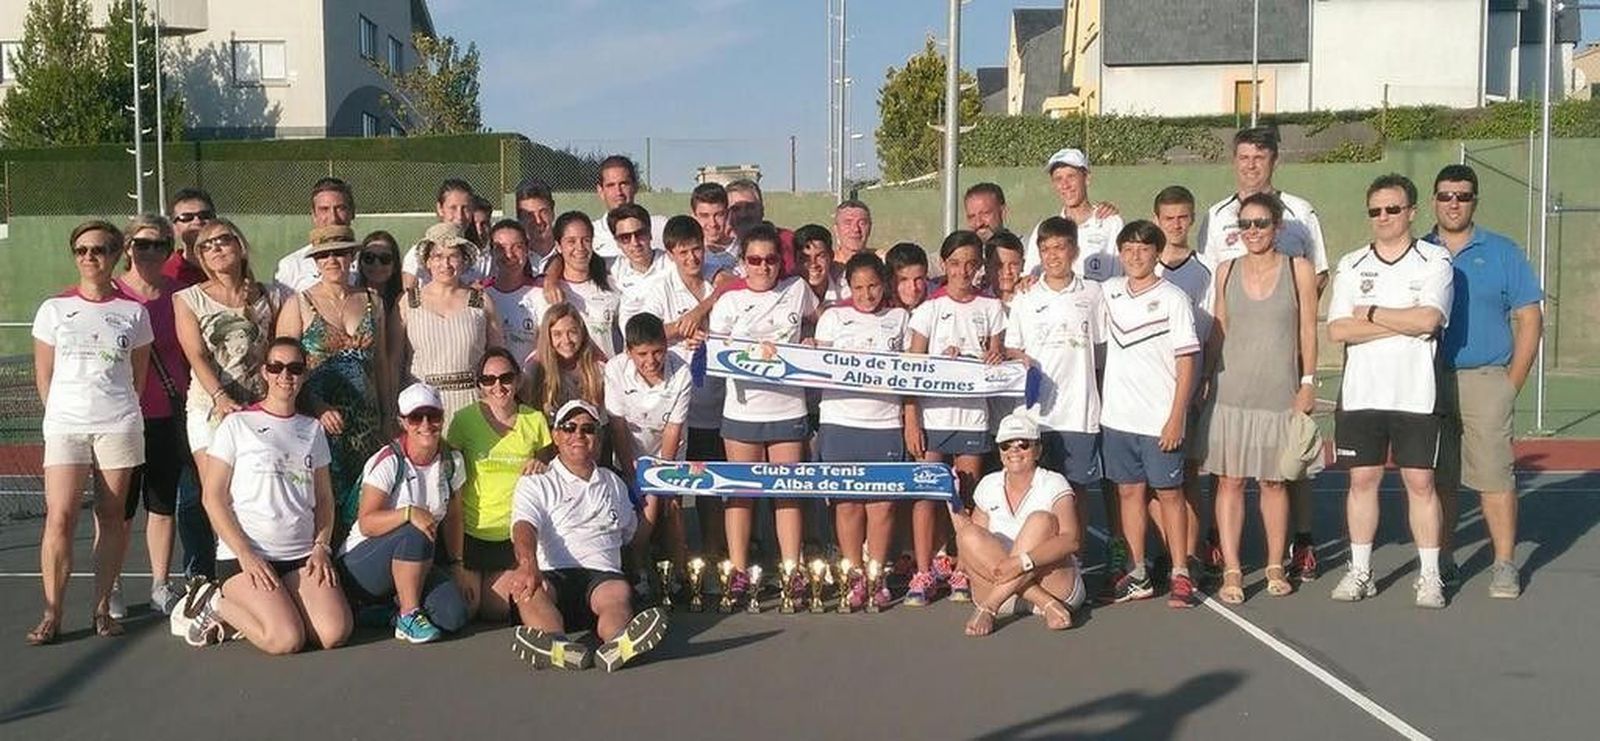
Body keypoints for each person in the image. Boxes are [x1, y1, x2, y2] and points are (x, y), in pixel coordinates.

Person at [1199, 127, 1331, 580]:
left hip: (1283, 372)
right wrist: (1202, 377)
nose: (1251, 164)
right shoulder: (1216, 219)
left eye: (1260, 156)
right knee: (1230, 477)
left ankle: (1298, 546)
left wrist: (1306, 375)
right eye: (1243, 157)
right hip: (1233, 379)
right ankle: (1228, 557)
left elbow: (1314, 292)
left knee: (1284, 474)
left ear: (1274, 160)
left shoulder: (1301, 216)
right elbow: (1218, 317)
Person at [1326, 174, 1453, 609]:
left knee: (1420, 482)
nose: (1383, 217)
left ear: (1411, 212)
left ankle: (1431, 576)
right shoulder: (1352, 263)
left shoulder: (1434, 261)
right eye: (1376, 210)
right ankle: (1360, 571)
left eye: (1392, 209)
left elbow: (1428, 322)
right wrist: (1400, 321)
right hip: (1361, 394)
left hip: (1416, 393)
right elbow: (1339, 328)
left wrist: (1374, 313)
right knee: (1363, 480)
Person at [28, 220, 155, 645]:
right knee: (59, 516)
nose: (89, 257)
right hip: (66, 426)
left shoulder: (134, 313)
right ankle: (53, 613)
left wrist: (116, 412)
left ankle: (102, 607)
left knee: (111, 517)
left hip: (117, 425)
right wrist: (64, 413)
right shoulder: (53, 310)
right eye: (81, 250)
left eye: (99, 249)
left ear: (116, 255)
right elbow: (44, 375)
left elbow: (137, 378)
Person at [186, 337, 352, 654]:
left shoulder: (313, 430)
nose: (285, 375)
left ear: (304, 375)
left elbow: (325, 499)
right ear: (264, 372)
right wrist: (245, 554)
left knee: (334, 633)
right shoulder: (237, 424)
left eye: (294, 368)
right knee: (286, 640)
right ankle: (216, 603)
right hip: (248, 557)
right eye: (276, 367)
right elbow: (213, 497)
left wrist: (321, 547)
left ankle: (273, 605)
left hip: (300, 556)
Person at [1427, 164, 1542, 598]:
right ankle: (1443, 559)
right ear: (1434, 201)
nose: (1453, 203)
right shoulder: (1418, 250)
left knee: (1495, 476)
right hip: (1432, 381)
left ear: (1475, 200)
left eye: (1463, 195)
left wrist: (1511, 383)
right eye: (1445, 195)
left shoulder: (1503, 251)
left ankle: (1504, 564)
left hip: (1486, 379)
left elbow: (1530, 319)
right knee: (1441, 479)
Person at [504, 400, 668, 672]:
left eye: (588, 429)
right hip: (553, 574)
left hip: (601, 575)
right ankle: (556, 644)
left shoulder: (613, 482)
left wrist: (656, 493)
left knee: (617, 592)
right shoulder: (536, 480)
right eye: (569, 428)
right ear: (556, 436)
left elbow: (632, 536)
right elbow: (523, 527)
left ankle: (618, 644)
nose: (578, 435)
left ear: (598, 438)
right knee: (529, 590)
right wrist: (527, 565)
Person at [705, 225, 820, 606]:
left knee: (787, 493)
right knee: (741, 494)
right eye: (754, 260)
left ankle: (792, 569)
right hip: (742, 410)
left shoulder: (797, 290)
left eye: (771, 260)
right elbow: (716, 351)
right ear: (743, 263)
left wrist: (812, 339)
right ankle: (738, 571)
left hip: (789, 408)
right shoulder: (729, 302)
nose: (763, 267)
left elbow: (818, 320)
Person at [1100, 220, 1200, 608]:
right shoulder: (1108, 292)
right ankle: (1138, 571)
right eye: (1128, 249)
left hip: (1160, 421)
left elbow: (1187, 361)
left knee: (1170, 495)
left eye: (1143, 249)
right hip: (1117, 420)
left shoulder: (1174, 298)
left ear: (1157, 253)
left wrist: (1177, 417)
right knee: (1129, 494)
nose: (1135, 256)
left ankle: (1180, 571)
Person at [276, 225, 394, 545]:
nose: (332, 260)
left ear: (351, 257)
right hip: (318, 424)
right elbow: (284, 368)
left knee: (368, 500)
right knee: (323, 502)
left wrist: (387, 414)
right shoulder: (298, 303)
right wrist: (316, 407)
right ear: (315, 260)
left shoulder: (372, 301)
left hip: (365, 425)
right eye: (324, 254)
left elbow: (381, 364)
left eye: (340, 253)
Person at [906, 230, 1006, 606]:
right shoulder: (928, 310)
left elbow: (996, 356)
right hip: (932, 419)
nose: (963, 271)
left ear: (980, 266)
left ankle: (963, 567)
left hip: (972, 418)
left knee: (965, 496)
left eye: (970, 263)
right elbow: (911, 371)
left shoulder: (991, 307)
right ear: (944, 265)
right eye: (955, 263)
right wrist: (911, 418)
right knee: (927, 495)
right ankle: (923, 569)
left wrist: (995, 357)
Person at [173, 219, 277, 580]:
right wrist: (220, 397)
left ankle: (262, 571)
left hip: (259, 410)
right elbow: (196, 355)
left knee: (253, 492)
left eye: (222, 241)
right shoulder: (188, 299)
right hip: (209, 410)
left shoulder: (271, 296)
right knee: (218, 494)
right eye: (206, 246)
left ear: (240, 245)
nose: (215, 249)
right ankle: (229, 578)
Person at [812, 252, 910, 611]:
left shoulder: (900, 318)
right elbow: (813, 367)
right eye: (858, 287)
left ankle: (876, 577)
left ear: (884, 284)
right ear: (847, 287)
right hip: (840, 422)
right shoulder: (833, 318)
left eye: (872, 286)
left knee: (882, 506)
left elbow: (916, 370)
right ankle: (854, 575)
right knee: (848, 503)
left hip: (884, 424)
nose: (866, 294)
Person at [337, 383, 469, 643]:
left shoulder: (451, 461)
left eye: (433, 416)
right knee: (414, 530)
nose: (425, 424)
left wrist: (457, 565)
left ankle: (385, 611)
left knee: (453, 616)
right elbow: (366, 523)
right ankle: (408, 615)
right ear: (403, 422)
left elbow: (453, 516)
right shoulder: (388, 461)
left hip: (416, 559)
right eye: (416, 417)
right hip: (363, 563)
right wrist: (408, 513)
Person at [114, 214, 193, 614]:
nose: (149, 251)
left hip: (167, 415)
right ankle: (110, 586)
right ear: (127, 247)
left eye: (158, 244)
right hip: (118, 419)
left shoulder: (181, 295)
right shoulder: (109, 295)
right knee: (118, 510)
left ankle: (160, 585)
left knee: (162, 504)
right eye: (141, 244)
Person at [1003, 217, 1103, 528]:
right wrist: (1023, 359)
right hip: (1036, 416)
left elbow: (1100, 351)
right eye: (1045, 249)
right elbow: (1012, 347)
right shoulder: (1026, 295)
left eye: (1060, 247)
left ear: (1074, 249)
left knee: (1075, 494)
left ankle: (1076, 564)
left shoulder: (1094, 292)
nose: (1053, 255)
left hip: (1080, 414)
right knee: (1036, 493)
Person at [640, 216, 728, 556]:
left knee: (711, 488)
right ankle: (672, 560)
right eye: (683, 252)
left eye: (697, 250)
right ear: (671, 253)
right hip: (674, 405)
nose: (692, 258)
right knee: (672, 489)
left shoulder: (717, 278)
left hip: (713, 403)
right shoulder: (658, 288)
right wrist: (681, 328)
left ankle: (713, 557)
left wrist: (702, 307)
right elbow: (645, 335)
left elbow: (732, 285)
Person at [445, 347, 554, 622]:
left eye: (505, 378)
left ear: (517, 380)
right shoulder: (463, 420)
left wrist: (542, 466)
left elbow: (550, 470)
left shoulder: (535, 420)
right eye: (489, 380)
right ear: (479, 385)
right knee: (466, 610)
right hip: (472, 531)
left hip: (514, 533)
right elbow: (449, 477)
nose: (498, 386)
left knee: (495, 609)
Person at [953, 412, 1085, 636]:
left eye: (1023, 444)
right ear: (1000, 452)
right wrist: (953, 506)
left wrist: (1022, 562)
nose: (1014, 451)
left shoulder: (1054, 482)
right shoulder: (988, 484)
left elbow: (1070, 540)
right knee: (967, 534)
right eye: (1006, 445)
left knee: (1040, 520)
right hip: (1013, 593)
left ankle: (989, 607)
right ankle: (1043, 602)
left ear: (1038, 450)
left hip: (1053, 587)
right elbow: (973, 550)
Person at [1151, 186, 1215, 579]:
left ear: (1192, 219)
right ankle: (1163, 551)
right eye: (1168, 217)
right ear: (1157, 220)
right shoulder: (1142, 265)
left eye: (1183, 217)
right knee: (1149, 483)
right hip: (1147, 391)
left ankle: (1190, 555)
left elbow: (1209, 330)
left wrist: (1201, 380)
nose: (1176, 224)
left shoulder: (1205, 268)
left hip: (1185, 389)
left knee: (1186, 474)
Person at [604, 314, 693, 588]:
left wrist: (662, 480)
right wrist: (633, 478)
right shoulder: (615, 369)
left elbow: (672, 430)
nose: (651, 361)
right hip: (629, 454)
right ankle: (636, 568)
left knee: (671, 509)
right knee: (645, 509)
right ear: (629, 352)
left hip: (667, 455)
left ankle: (680, 576)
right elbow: (617, 427)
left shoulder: (682, 372)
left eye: (658, 352)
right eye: (642, 354)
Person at [397, 223, 502, 425]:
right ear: (427, 261)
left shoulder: (481, 300)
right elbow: (394, 361)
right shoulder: (408, 302)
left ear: (463, 261)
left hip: (473, 405)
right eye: (437, 256)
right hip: (423, 409)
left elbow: (498, 358)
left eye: (453, 256)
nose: (445, 264)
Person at [1024, 148, 1123, 281]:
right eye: (1058, 179)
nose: (1065, 185)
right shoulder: (1042, 229)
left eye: (1071, 176)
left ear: (1087, 178)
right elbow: (1031, 277)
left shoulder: (1112, 223)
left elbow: (1118, 278)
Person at [532, 212, 622, 357]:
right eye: (571, 241)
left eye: (586, 240)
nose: (580, 247)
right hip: (562, 377)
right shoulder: (545, 290)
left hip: (605, 376)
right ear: (558, 246)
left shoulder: (613, 284)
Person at [273, 178, 357, 298]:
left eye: (340, 208)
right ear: (314, 215)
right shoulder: (291, 267)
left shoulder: (371, 262)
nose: (333, 218)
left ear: (352, 212)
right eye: (324, 209)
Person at [403, 180, 491, 287]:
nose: (460, 216)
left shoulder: (481, 256)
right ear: (440, 209)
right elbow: (408, 297)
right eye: (453, 208)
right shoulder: (416, 255)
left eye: (465, 208)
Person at [483, 220, 544, 366]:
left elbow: (547, 347)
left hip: (532, 383)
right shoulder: (481, 296)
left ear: (527, 250)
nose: (509, 254)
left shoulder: (542, 295)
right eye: (500, 248)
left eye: (517, 247)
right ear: (491, 251)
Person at [604, 204, 671, 332]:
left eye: (640, 234)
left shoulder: (672, 263)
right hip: (631, 349)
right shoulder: (616, 267)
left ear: (650, 234)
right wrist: (551, 280)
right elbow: (570, 260)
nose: (634, 243)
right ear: (617, 242)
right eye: (625, 238)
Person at [589, 155, 669, 259]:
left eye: (624, 184)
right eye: (611, 185)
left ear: (635, 186)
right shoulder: (590, 235)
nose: (618, 192)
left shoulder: (661, 227)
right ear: (600, 191)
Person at [164, 188, 217, 288]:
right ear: (174, 228)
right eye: (186, 217)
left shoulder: (230, 265)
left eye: (204, 215)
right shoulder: (167, 273)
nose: (197, 222)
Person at [796, 223, 848, 304]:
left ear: (831, 256)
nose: (813, 264)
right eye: (805, 258)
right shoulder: (787, 296)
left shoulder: (848, 291)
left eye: (820, 256)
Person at [515, 178, 559, 272]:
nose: (538, 221)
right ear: (520, 218)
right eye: (529, 215)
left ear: (552, 212)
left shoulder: (571, 253)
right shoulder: (512, 259)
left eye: (543, 212)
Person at [357, 230, 404, 315]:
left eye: (385, 258)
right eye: (369, 257)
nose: (377, 264)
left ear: (395, 265)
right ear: (360, 262)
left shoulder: (404, 302)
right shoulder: (351, 300)